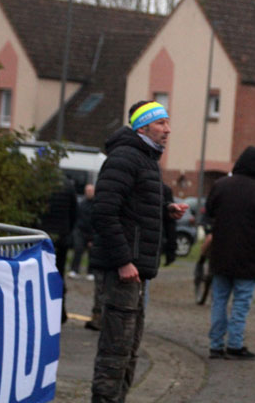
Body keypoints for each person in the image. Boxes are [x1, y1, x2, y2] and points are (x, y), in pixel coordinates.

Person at [89, 100, 187, 402]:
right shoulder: (125, 157)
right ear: (143, 127)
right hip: (123, 271)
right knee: (115, 351)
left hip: (136, 272)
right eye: (161, 123)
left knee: (130, 349)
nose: (167, 130)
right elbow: (105, 212)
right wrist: (123, 261)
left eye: (168, 123)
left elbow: (133, 207)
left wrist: (165, 210)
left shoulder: (146, 159)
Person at [204, 146, 255, 360]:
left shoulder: (220, 186)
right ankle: (235, 344)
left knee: (219, 299)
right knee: (241, 302)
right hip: (251, 259)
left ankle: (215, 344)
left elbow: (209, 213)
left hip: (221, 255)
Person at [37, 172, 78, 323]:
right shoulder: (68, 186)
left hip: (42, 238)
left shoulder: (39, 185)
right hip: (62, 238)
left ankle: (44, 310)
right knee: (59, 274)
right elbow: (74, 213)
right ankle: (60, 312)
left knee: (40, 274)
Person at [69, 183, 96, 279]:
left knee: (92, 253)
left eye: (90, 191)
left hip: (92, 232)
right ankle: (74, 270)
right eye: (87, 191)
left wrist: (92, 236)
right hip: (80, 231)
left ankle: (91, 272)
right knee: (78, 250)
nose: (89, 192)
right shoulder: (81, 204)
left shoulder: (96, 205)